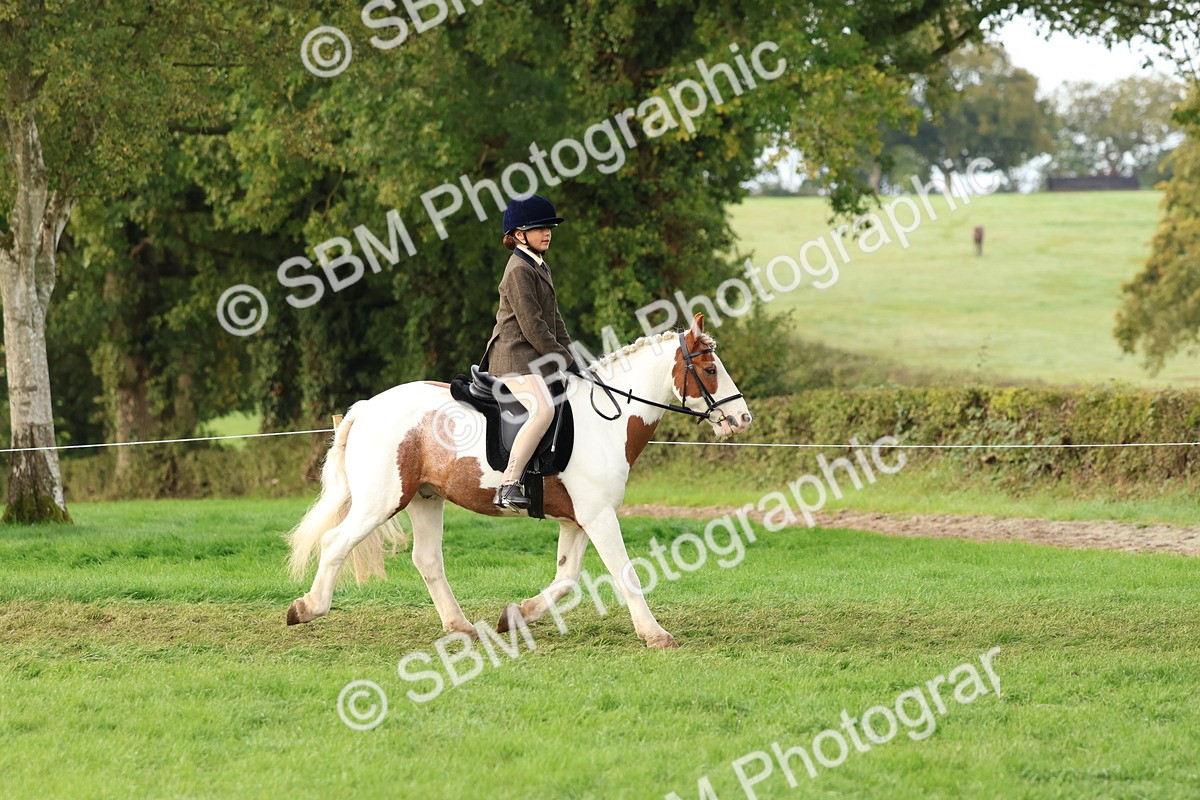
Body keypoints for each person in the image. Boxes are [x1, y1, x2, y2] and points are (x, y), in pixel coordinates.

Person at [479, 194, 583, 510]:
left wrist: (572, 355)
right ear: (519, 234)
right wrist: (560, 358)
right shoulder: (518, 270)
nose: (547, 232)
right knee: (544, 410)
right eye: (539, 228)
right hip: (513, 358)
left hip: (532, 358)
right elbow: (533, 326)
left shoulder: (539, 265)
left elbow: (555, 319)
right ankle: (508, 484)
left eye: (549, 227)